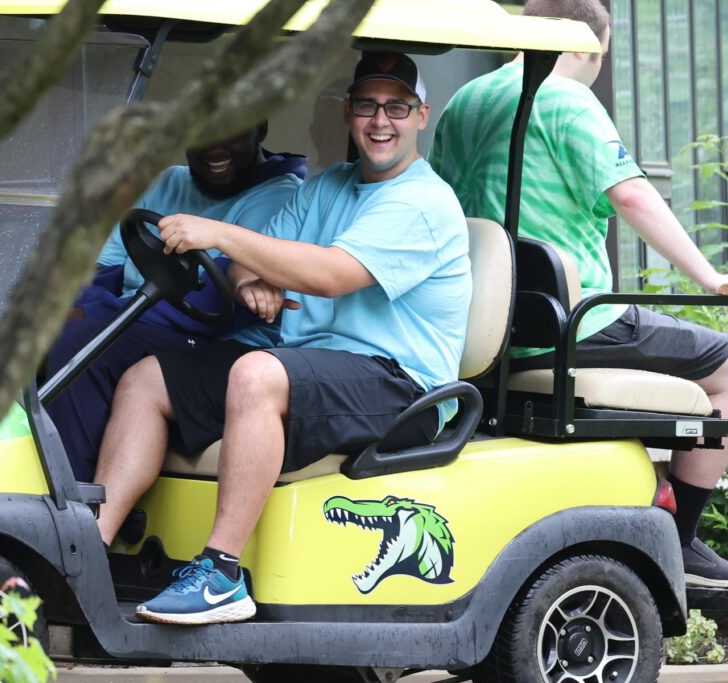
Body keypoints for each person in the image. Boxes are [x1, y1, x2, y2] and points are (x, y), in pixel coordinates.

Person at [94, 52, 471, 625]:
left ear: (421, 116)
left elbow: (330, 273)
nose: (380, 122)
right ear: (347, 112)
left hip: (400, 384)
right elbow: (252, 259)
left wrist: (222, 235)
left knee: (256, 373)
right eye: (367, 106)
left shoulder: (422, 202)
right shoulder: (329, 187)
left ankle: (221, 575)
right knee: (147, 378)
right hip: (308, 364)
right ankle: (88, 554)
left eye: (396, 108)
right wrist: (251, 278)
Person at [430, 0, 728, 589]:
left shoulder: (466, 100)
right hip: (569, 321)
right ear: (588, 47)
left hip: (488, 325)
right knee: (724, 366)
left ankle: (651, 495)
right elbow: (633, 197)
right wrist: (711, 278)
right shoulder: (566, 96)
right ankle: (685, 540)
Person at [45, 124, 306, 481]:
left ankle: (70, 500)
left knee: (81, 345)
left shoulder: (280, 194)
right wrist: (71, 309)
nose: (214, 144)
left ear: (260, 129)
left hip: (219, 339)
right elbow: (105, 268)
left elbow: (216, 304)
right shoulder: (167, 180)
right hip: (136, 319)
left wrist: (87, 318)